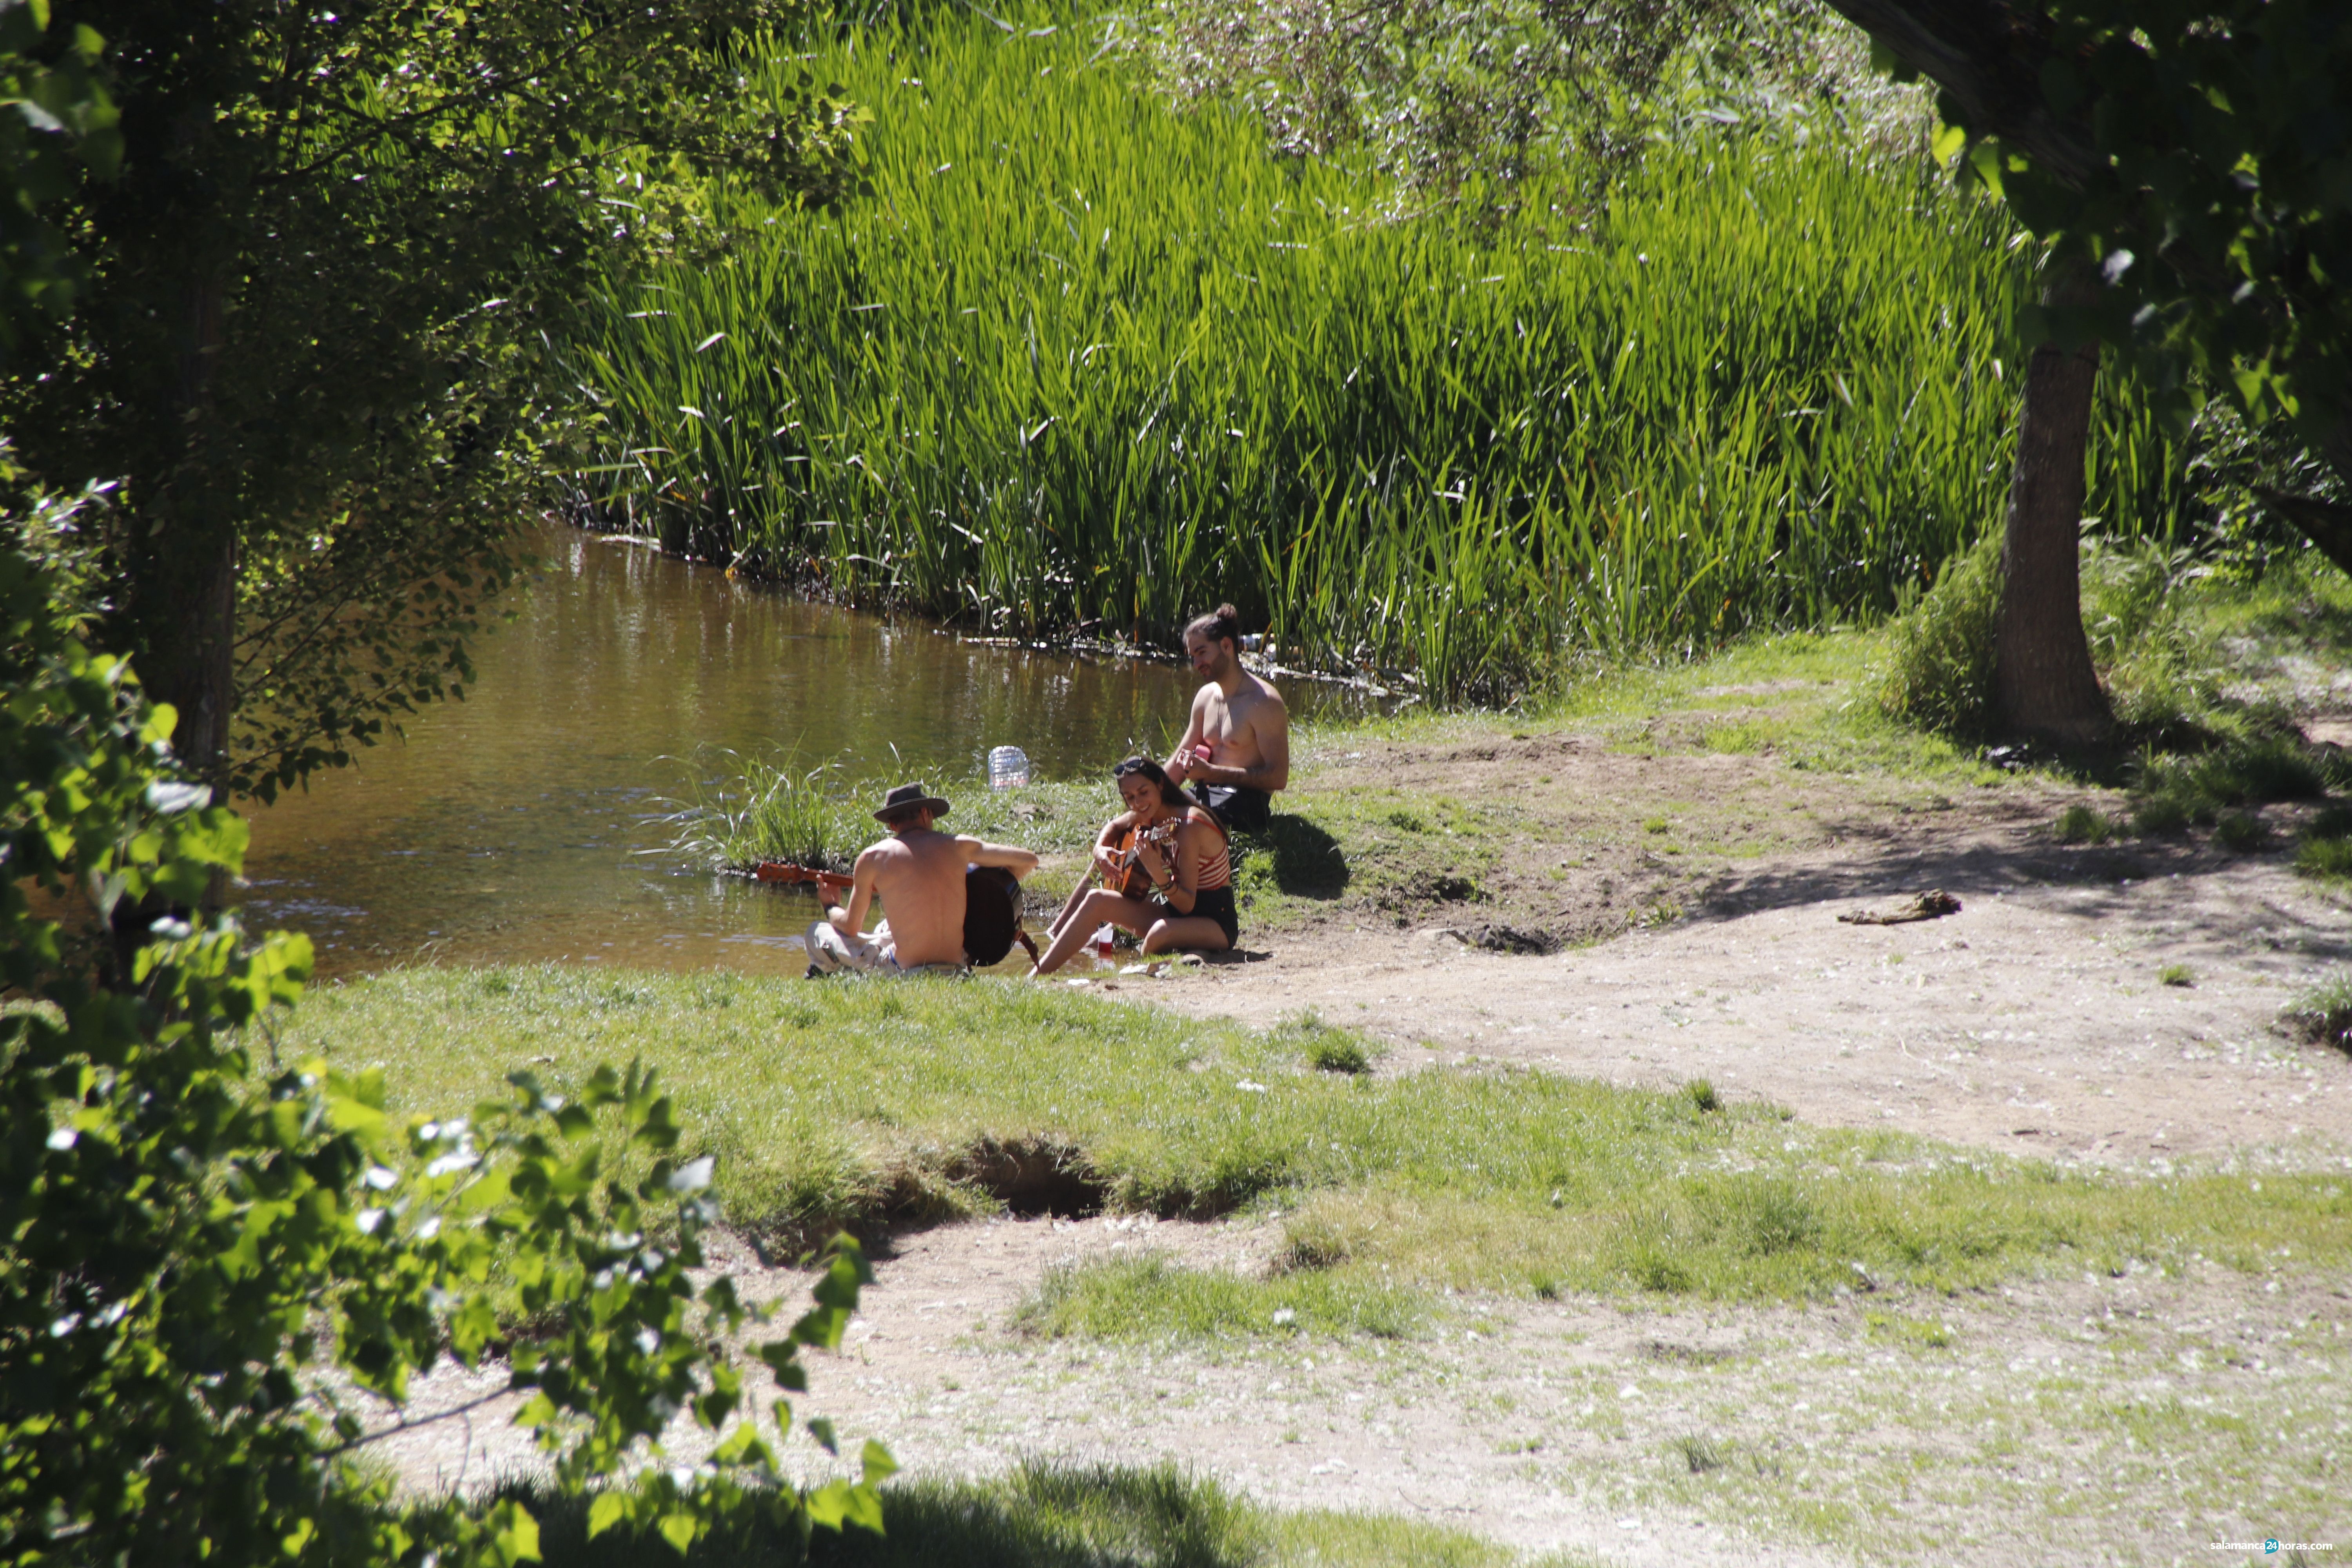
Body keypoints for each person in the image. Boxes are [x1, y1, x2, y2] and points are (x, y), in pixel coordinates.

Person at [1031, 757, 1237, 975]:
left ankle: (1165, 958)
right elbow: (1114, 826)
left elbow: (1187, 904)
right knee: (1096, 899)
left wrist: (1156, 871)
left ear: (1160, 784)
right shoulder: (1149, 814)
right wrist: (1099, 851)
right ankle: (1036, 976)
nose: (1137, 803)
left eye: (1143, 792)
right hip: (1175, 913)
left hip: (1216, 922)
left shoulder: (1189, 824)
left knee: (1157, 936)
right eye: (1129, 797)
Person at [805, 782, 1038, 975]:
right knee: (886, 926)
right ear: (926, 813)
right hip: (955, 970)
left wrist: (830, 905)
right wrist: (981, 885)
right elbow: (1029, 860)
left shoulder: (873, 857)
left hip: (905, 972)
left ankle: (830, 971)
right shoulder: (960, 846)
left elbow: (851, 927)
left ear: (893, 824)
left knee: (816, 931)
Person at [1163, 603, 1288, 835]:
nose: (1196, 664)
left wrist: (1212, 773)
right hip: (1206, 796)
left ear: (1227, 646)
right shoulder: (1205, 697)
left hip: (1246, 803)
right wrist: (1151, 796)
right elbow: (1180, 761)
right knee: (1153, 819)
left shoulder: (1264, 702)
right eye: (1193, 657)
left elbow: (1278, 778)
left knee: (1185, 825)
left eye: (1202, 653)